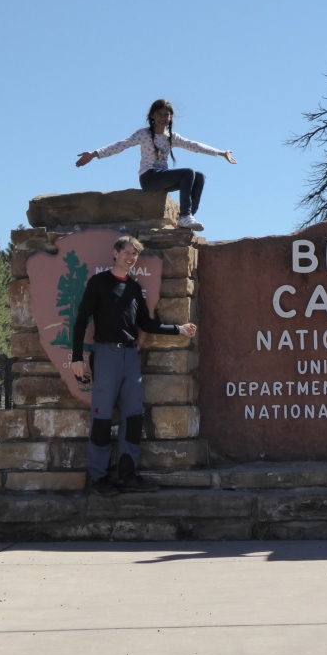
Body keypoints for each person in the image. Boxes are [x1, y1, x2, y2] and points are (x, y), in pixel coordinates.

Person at [70, 235, 197, 496]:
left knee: (133, 417)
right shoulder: (99, 282)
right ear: (115, 253)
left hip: (130, 357)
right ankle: (99, 478)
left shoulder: (134, 288)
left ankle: (128, 475)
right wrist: (76, 358)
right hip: (105, 354)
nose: (131, 257)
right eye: (127, 252)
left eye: (135, 254)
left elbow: (146, 324)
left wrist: (179, 329)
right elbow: (81, 320)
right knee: (102, 418)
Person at [76, 99, 236, 232]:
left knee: (199, 177)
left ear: (171, 117)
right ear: (152, 115)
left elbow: (194, 145)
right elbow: (121, 145)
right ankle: (184, 216)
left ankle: (188, 217)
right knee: (188, 172)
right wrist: (95, 153)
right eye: (159, 114)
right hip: (149, 178)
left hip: (162, 177)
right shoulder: (144, 134)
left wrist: (221, 153)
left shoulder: (171, 137)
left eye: (166, 115)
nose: (163, 118)